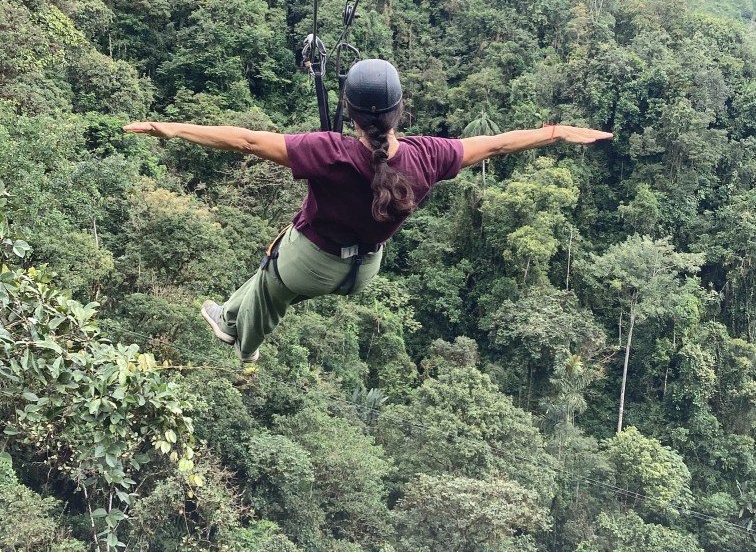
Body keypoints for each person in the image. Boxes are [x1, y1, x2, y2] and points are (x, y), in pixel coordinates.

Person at [124, 59, 611, 363]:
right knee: (273, 275)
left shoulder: (329, 151)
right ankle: (228, 317)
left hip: (310, 265)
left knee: (272, 277)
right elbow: (498, 145)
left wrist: (167, 127)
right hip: (364, 269)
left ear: (351, 114)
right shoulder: (429, 156)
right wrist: (555, 133)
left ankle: (242, 343)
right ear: (400, 111)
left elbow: (247, 140)